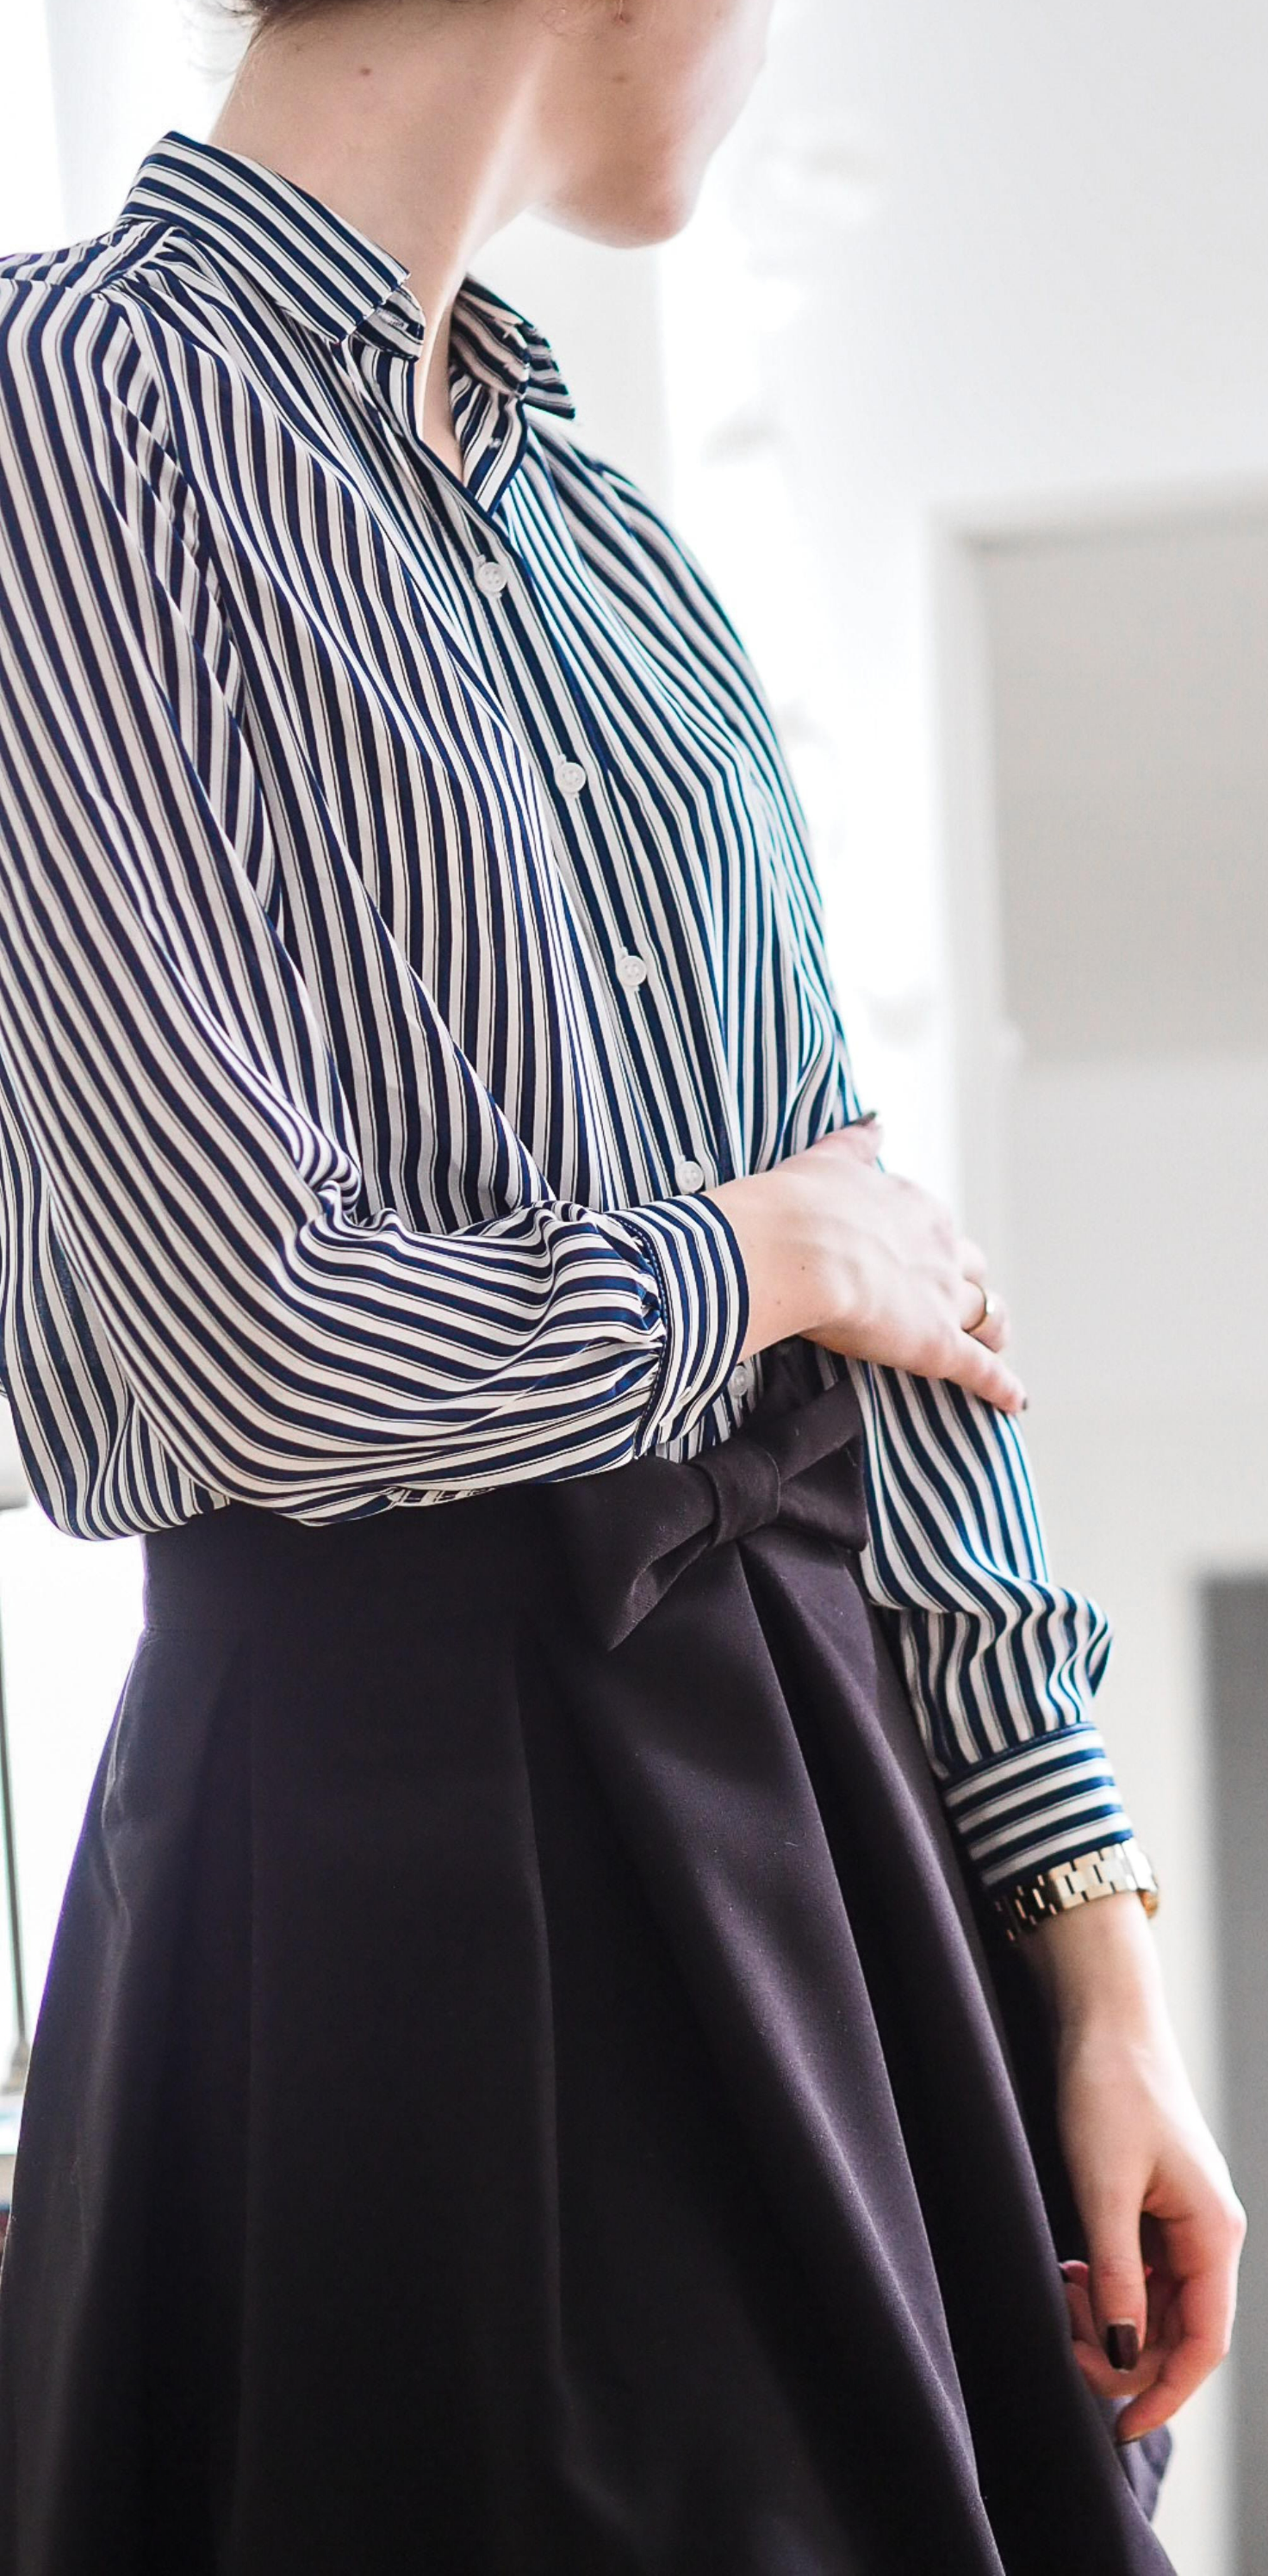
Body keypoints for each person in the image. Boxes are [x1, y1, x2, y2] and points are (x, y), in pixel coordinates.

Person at [0, 2, 1243, 2568]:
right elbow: (235, 1343)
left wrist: (1098, 1957)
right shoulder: (78, 407)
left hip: (847, 1845)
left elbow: (904, 1310)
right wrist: (748, 1259)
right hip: (401, 1863)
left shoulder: (622, 557)